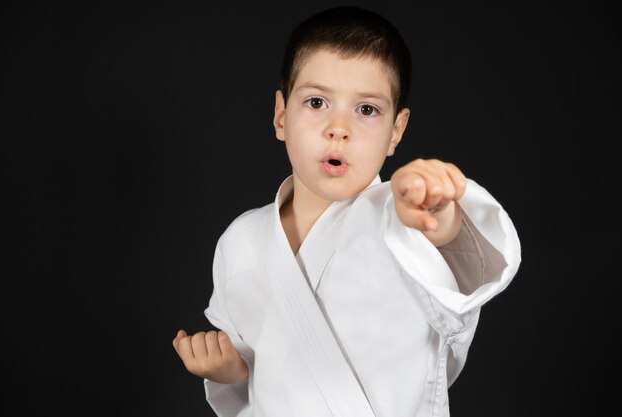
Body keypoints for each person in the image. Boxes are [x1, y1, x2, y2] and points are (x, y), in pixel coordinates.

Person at [172, 6, 521, 417]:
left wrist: (436, 210)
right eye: (317, 102)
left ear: (396, 131)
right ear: (281, 115)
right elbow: (256, 359)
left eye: (367, 110)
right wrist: (230, 369)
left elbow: (457, 260)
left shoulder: (401, 216)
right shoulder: (241, 241)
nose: (339, 128)